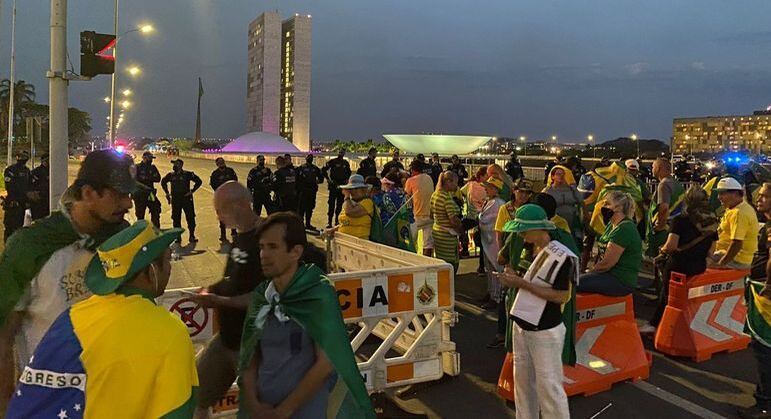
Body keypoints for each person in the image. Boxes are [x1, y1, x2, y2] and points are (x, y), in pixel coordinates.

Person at [6, 221, 198, 418]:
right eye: (168, 261)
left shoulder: (71, 317)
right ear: (150, 271)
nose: (169, 268)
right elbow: (176, 411)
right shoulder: (169, 332)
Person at [0, 149, 134, 412]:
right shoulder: (31, 247)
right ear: (87, 194)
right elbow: (4, 335)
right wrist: (6, 405)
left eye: (129, 195)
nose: (128, 204)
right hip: (52, 400)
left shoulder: (123, 240)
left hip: (114, 395)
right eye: (119, 195)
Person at [238, 213, 374, 418]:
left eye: (272, 247)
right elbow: (249, 357)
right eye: (261, 247)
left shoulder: (317, 295)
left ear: (295, 252)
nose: (263, 255)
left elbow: (326, 363)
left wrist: (285, 410)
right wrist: (255, 406)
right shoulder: (262, 298)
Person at [186, 182, 265, 418]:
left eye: (220, 209)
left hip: (255, 345)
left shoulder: (266, 239)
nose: (217, 215)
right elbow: (234, 280)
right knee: (194, 396)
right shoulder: (240, 237)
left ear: (240, 205)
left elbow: (265, 296)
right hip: (227, 339)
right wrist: (212, 289)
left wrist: (219, 300)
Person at [497, 204, 576, 419]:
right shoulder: (527, 247)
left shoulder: (562, 256)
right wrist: (513, 277)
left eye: (524, 230)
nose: (520, 234)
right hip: (521, 323)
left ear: (540, 229)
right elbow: (526, 278)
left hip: (545, 329)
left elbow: (561, 296)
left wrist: (520, 283)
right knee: (522, 382)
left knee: (549, 386)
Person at [640, 186, 718, 334]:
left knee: (667, 296)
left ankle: (655, 325)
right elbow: (712, 248)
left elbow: (671, 246)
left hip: (679, 266)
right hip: (699, 266)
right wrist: (705, 262)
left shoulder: (681, 219)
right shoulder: (711, 220)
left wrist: (662, 250)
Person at [742, 182, 771, 419]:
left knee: (764, 351)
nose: (758, 199)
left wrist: (768, 286)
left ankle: (764, 405)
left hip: (766, 301)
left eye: (764, 196)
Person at [579, 190, 641, 296]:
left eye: (607, 203)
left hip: (620, 280)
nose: (603, 206)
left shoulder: (624, 228)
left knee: (574, 284)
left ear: (619, 207)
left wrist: (590, 271)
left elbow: (607, 263)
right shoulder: (611, 224)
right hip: (608, 275)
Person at [478, 177, 506, 347]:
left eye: (489, 187)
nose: (486, 189)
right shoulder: (493, 202)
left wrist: (478, 219)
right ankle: (492, 293)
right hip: (489, 240)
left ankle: (495, 296)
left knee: (495, 269)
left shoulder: (497, 203)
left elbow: (486, 221)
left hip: (493, 241)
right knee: (491, 269)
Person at [710, 177, 758, 269]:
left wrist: (721, 264)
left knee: (697, 267)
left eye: (722, 193)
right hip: (724, 253)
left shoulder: (739, 213)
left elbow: (737, 243)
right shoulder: (733, 207)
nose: (719, 197)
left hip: (736, 260)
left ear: (735, 194)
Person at [647, 158, 684, 257]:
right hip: (675, 228)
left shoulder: (664, 184)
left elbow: (664, 208)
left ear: (659, 168)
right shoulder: (676, 183)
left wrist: (660, 226)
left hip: (664, 230)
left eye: (653, 167)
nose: (652, 169)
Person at [543, 165, 585, 249]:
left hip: (572, 223)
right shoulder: (547, 191)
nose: (561, 176)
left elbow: (581, 201)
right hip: (556, 224)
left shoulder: (571, 189)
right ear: (552, 176)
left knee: (574, 246)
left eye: (563, 174)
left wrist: (574, 188)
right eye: (558, 174)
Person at [161, 158, 203, 243]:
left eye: (176, 164)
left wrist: (192, 191)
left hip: (186, 198)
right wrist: (167, 193)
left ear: (181, 165)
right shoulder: (171, 175)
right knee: (176, 218)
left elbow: (199, 181)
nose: (174, 166)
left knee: (190, 217)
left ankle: (192, 235)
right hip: (176, 199)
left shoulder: (188, 174)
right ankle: (178, 236)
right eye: (174, 164)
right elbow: (163, 182)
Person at [431, 171, 463, 272]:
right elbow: (453, 220)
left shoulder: (435, 195)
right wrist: (461, 226)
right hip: (447, 236)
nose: (456, 186)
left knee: (441, 262)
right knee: (451, 265)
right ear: (448, 182)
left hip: (437, 232)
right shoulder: (447, 199)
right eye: (455, 183)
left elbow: (431, 215)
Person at [405, 160, 435, 257]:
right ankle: (427, 263)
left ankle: (412, 261)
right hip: (430, 215)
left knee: (411, 242)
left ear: (412, 170)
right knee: (428, 243)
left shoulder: (410, 180)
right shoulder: (429, 178)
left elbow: (407, 196)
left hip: (417, 216)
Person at [461, 167, 488, 273]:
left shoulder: (470, 185)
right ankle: (481, 267)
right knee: (483, 243)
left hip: (471, 217)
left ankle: (464, 248)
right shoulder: (487, 188)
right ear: (481, 176)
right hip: (482, 217)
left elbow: (461, 192)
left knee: (460, 228)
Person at [495, 179, 535, 249]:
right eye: (521, 191)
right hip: (509, 248)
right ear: (514, 191)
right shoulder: (505, 209)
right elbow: (499, 234)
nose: (524, 195)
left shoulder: (532, 209)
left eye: (527, 193)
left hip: (527, 249)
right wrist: (500, 252)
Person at [2, 151, 31, 242]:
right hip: (12, 202)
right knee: (10, 226)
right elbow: (10, 187)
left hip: (21, 203)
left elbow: (28, 186)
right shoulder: (10, 170)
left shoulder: (27, 171)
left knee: (19, 226)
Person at [337, 174, 375, 240]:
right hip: (343, 240)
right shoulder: (349, 203)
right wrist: (332, 230)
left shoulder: (367, 202)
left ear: (363, 190)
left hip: (359, 242)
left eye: (356, 189)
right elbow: (345, 223)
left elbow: (350, 212)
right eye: (351, 189)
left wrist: (347, 197)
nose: (353, 191)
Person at [210, 157, 239, 242]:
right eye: (219, 162)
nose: (221, 163)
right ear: (217, 164)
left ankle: (234, 231)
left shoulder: (230, 171)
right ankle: (223, 235)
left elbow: (235, 180)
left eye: (222, 162)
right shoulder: (215, 174)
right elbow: (213, 185)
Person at [322, 149, 352, 228]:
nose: (341, 153)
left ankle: (336, 221)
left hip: (341, 187)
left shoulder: (346, 163)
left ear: (344, 153)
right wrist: (328, 179)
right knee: (331, 204)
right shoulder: (332, 161)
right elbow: (323, 170)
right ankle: (329, 222)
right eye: (340, 152)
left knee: (339, 205)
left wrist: (346, 181)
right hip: (333, 186)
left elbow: (349, 173)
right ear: (337, 153)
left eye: (342, 152)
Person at [295, 154, 324, 230]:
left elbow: (321, 178)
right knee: (301, 209)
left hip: (311, 192)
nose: (310, 159)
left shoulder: (315, 168)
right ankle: (300, 224)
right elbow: (296, 179)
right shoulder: (300, 168)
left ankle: (308, 224)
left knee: (310, 208)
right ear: (306, 158)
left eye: (311, 158)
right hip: (303, 191)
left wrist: (316, 181)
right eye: (309, 157)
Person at [134, 151, 162, 228]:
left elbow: (158, 179)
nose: (151, 160)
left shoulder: (153, 167)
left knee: (156, 210)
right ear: (144, 158)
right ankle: (140, 232)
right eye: (149, 158)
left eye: (151, 158)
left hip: (150, 194)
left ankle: (155, 231)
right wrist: (148, 179)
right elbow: (134, 181)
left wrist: (146, 178)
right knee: (140, 215)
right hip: (140, 194)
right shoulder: (137, 167)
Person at [626, 159, 651, 238]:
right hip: (636, 216)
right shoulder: (638, 183)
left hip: (621, 215)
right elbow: (647, 197)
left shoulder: (617, 181)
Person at [28, 153, 50, 221]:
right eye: (48, 160)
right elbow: (30, 186)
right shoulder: (36, 172)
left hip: (48, 200)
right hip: (38, 201)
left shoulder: (52, 171)